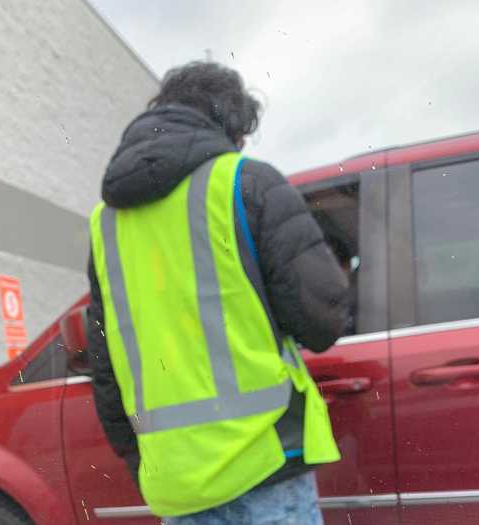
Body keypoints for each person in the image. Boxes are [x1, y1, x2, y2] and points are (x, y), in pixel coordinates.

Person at [87, 61, 351, 524]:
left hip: (176, 482)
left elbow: (105, 366)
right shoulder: (245, 183)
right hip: (266, 459)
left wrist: (142, 461)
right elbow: (322, 320)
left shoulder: (105, 225)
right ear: (230, 126)